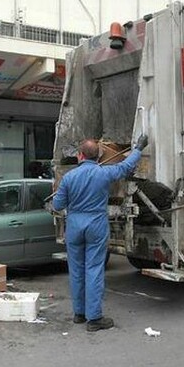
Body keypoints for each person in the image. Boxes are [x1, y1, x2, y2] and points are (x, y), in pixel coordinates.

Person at [52, 135, 148, 332]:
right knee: (94, 269)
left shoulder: (69, 178)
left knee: (77, 270)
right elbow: (125, 166)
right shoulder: (104, 173)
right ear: (98, 156)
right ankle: (94, 318)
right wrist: (138, 148)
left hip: (75, 225)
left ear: (80, 156)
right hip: (96, 223)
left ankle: (79, 314)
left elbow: (58, 205)